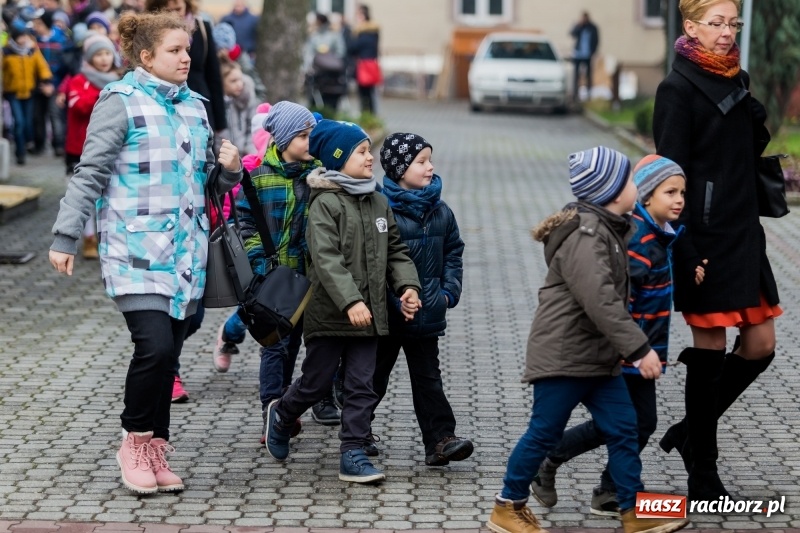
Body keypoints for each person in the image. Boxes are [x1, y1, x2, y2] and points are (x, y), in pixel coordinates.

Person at [49, 10, 242, 495]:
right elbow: (89, 173)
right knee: (154, 347)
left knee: (170, 353)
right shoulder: (120, 102)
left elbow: (206, 183)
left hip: (186, 252)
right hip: (134, 251)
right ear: (146, 56)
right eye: (175, 51)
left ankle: (157, 446)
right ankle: (133, 442)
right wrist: (66, 236)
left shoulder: (196, 107)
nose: (186, 57)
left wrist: (231, 170)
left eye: (187, 50)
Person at [486, 147, 689, 533]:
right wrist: (640, 349)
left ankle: (633, 512)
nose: (635, 186)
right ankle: (507, 506)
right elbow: (601, 301)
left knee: (626, 427)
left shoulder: (613, 229)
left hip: (599, 358)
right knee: (543, 432)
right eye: (629, 180)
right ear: (613, 191)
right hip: (565, 356)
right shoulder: (587, 236)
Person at [652, 0, 780, 503]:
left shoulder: (736, 78)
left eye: (733, 24)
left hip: (743, 232)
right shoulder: (676, 88)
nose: (727, 32)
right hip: (703, 239)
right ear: (691, 27)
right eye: (717, 24)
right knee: (709, 354)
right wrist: (687, 250)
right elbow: (668, 178)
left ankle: (688, 430)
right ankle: (703, 469)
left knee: (761, 344)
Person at [263, 119, 422, 483]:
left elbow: (396, 250)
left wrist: (407, 287)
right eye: (362, 152)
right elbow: (326, 258)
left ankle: (352, 451)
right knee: (317, 383)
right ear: (338, 157)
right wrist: (350, 301)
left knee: (361, 384)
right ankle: (283, 414)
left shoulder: (378, 200)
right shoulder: (325, 203)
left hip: (371, 315)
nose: (371, 158)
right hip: (330, 314)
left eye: (369, 151)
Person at [369, 132, 473, 466]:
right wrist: (393, 300)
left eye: (430, 160)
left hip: (427, 315)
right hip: (388, 316)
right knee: (373, 378)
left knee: (429, 379)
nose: (430, 168)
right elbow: (374, 264)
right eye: (421, 162)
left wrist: (447, 292)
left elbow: (454, 250)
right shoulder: (381, 210)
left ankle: (440, 440)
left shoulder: (440, 211)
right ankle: (356, 433)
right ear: (400, 170)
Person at [63, 32, 120, 259]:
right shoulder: (79, 80)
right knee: (83, 194)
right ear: (89, 58)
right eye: (98, 54)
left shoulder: (120, 80)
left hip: (111, 146)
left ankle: (107, 237)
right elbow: (79, 106)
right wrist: (104, 93)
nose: (104, 58)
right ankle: (87, 237)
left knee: (108, 194)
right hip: (79, 147)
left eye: (107, 53)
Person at [145, 0, 227, 134]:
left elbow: (213, 75)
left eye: (178, 9)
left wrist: (220, 120)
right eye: (168, 11)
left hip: (199, 99)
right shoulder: (151, 31)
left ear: (187, 5)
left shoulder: (202, 28)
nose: (174, 16)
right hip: (163, 101)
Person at [2, 26, 53, 165]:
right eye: (20, 36)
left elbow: (42, 66)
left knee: (28, 122)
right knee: (19, 122)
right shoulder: (6, 52)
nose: (23, 39)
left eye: (25, 36)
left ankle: (26, 143)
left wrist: (46, 80)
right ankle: (20, 152)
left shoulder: (32, 51)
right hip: (13, 92)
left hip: (29, 92)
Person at [31, 9, 71, 157]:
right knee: (38, 115)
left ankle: (58, 144)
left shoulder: (60, 40)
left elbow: (63, 66)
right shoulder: (34, 40)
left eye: (39, 23)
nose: (36, 26)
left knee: (55, 115)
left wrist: (54, 84)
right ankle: (39, 143)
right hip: (38, 84)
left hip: (56, 84)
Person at [304, 13, 346, 113]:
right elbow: (308, 53)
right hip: (318, 74)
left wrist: (328, 56)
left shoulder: (334, 36)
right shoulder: (314, 36)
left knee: (331, 101)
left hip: (332, 74)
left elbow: (341, 52)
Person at [218, 55, 256, 155]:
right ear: (222, 83)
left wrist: (250, 154)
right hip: (222, 158)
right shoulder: (217, 105)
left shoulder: (246, 99)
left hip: (245, 157)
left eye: (240, 80)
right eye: (233, 81)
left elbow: (251, 128)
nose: (239, 84)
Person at [347, 3, 379, 115]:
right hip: (370, 64)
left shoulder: (363, 32)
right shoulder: (374, 31)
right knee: (370, 93)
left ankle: (367, 114)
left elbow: (353, 47)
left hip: (364, 65)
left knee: (364, 93)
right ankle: (370, 114)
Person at [570, 11, 599, 102]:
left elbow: (596, 40)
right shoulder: (579, 26)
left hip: (587, 54)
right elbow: (572, 34)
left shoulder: (592, 28)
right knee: (576, 75)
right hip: (578, 54)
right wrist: (579, 25)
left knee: (588, 74)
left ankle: (588, 93)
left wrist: (593, 52)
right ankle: (575, 93)